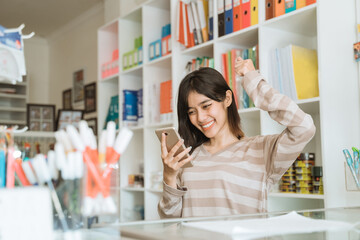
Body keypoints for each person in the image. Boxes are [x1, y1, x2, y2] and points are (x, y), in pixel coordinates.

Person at [158, 57, 316, 218]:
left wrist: (253, 80)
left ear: (227, 98)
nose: (200, 117)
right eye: (192, 111)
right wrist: (169, 176)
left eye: (206, 106)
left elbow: (304, 127)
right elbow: (170, 219)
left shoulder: (261, 150)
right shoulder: (188, 158)